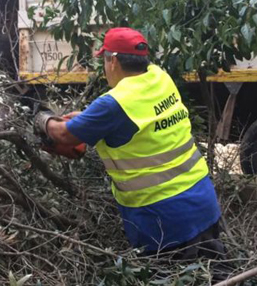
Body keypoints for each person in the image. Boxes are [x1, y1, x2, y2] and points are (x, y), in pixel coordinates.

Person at [34, 27, 228, 271]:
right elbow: (140, 120)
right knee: (218, 274)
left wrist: (43, 119)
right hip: (203, 202)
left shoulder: (115, 104)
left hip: (164, 221)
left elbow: (63, 135)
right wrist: (88, 120)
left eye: (104, 61)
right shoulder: (159, 77)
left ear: (113, 61)